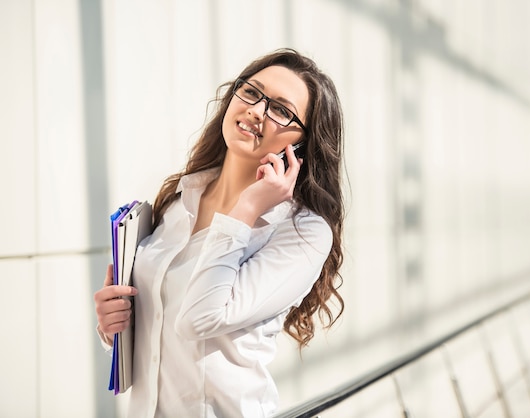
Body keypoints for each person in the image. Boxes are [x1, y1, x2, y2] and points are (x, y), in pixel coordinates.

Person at [93, 48, 345, 417]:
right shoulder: (181, 198)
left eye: (281, 110)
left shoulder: (303, 231)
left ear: (301, 142)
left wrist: (244, 210)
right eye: (252, 92)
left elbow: (199, 319)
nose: (257, 111)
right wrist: (111, 325)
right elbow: (159, 330)